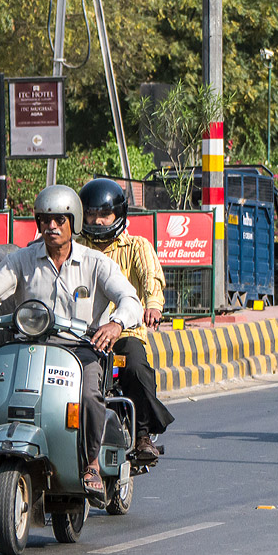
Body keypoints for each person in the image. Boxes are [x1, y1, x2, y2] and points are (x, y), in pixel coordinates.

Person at [0, 185, 143, 498]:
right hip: (28, 348)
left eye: (59, 220)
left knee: (89, 394)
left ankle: (91, 465)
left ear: (72, 222)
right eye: (45, 220)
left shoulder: (95, 263)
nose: (51, 227)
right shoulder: (22, 259)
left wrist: (116, 324)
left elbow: (130, 298)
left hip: (80, 351)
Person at [76, 178, 175, 461]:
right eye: (91, 214)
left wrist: (153, 306)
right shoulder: (76, 246)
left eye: (104, 214)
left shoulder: (136, 247)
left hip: (125, 333)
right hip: (80, 334)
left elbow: (151, 279)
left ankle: (143, 435)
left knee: (134, 368)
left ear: (118, 215)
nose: (97, 221)